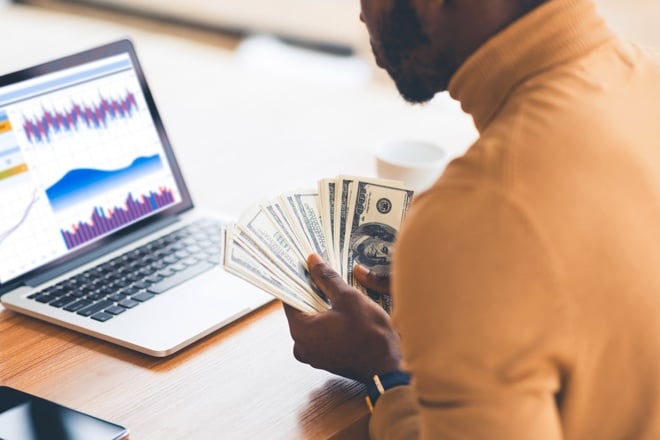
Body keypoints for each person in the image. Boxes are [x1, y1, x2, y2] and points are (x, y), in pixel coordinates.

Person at [284, 0, 660, 437]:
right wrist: (458, 298)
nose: (362, 13)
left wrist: (388, 370)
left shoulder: (477, 211)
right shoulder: (646, 78)